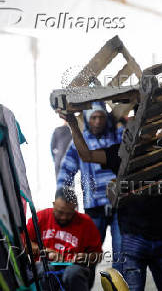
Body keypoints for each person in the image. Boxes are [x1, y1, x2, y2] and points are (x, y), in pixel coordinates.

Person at [57, 110, 162, 291]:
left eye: (148, 124)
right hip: (134, 238)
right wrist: (74, 126)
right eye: (139, 124)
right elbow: (87, 155)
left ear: (155, 128)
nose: (142, 129)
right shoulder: (121, 154)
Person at [56, 101, 123, 271]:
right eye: (93, 117)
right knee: (87, 257)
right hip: (93, 206)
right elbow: (66, 170)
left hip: (119, 206)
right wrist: (63, 196)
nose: (98, 121)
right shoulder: (80, 142)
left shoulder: (119, 136)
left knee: (121, 255)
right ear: (87, 119)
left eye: (101, 117)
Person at [26, 187, 102, 291]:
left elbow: (98, 255)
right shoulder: (40, 217)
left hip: (74, 267)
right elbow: (24, 244)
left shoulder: (86, 223)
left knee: (73, 274)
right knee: (46, 271)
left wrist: (86, 257)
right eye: (60, 212)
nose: (64, 217)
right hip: (45, 265)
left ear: (75, 207)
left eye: (69, 213)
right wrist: (44, 251)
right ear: (54, 205)